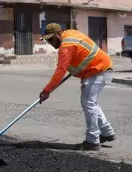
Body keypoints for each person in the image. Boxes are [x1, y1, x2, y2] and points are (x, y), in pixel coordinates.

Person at [39, 23, 116, 151]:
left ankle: (92, 141)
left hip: (97, 71)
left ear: (58, 33)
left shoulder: (66, 46)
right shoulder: (70, 34)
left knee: (88, 104)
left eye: (51, 39)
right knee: (92, 103)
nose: (50, 43)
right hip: (103, 68)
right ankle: (107, 132)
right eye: (48, 40)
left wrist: (46, 91)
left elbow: (60, 71)